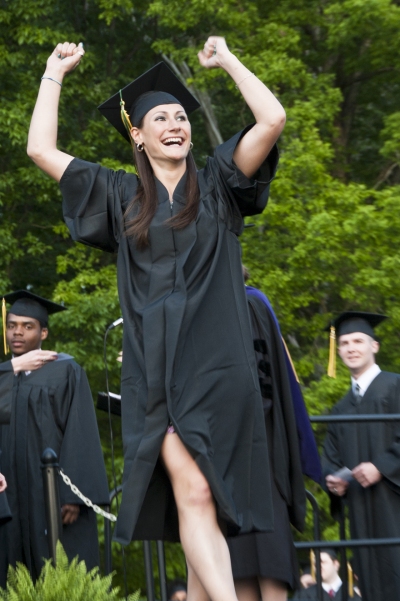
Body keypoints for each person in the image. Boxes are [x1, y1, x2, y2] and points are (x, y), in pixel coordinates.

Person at [27, 36, 285, 601]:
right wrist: (54, 74)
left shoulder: (218, 183)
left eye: (180, 116)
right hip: (156, 374)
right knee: (191, 493)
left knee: (206, 502)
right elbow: (41, 151)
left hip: (222, 368)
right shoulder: (121, 196)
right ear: (137, 136)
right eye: (159, 118)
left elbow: (272, 118)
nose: (175, 124)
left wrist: (227, 61)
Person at [0, 291, 109, 586]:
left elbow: (80, 431)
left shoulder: (65, 370)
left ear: (44, 332)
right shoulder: (4, 377)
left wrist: (73, 496)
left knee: (57, 568)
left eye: (27, 325)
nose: (17, 332)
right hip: (7, 496)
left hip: (49, 494)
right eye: (12, 325)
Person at [227, 278, 321, 601]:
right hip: (226, 456)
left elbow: (260, 386)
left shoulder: (248, 304)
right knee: (237, 564)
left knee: (267, 558)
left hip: (256, 450)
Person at [322, 311, 400, 601]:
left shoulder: (396, 386)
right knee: (369, 581)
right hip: (360, 510)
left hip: (393, 504)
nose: (351, 348)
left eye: (358, 341)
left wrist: (381, 466)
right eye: (344, 343)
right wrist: (332, 480)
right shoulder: (340, 408)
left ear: (374, 346)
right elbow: (329, 455)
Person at [293, 549, 361, 600]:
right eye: (315, 564)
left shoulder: (355, 592)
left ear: (336, 564)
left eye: (322, 562)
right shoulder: (304, 595)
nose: (318, 566)